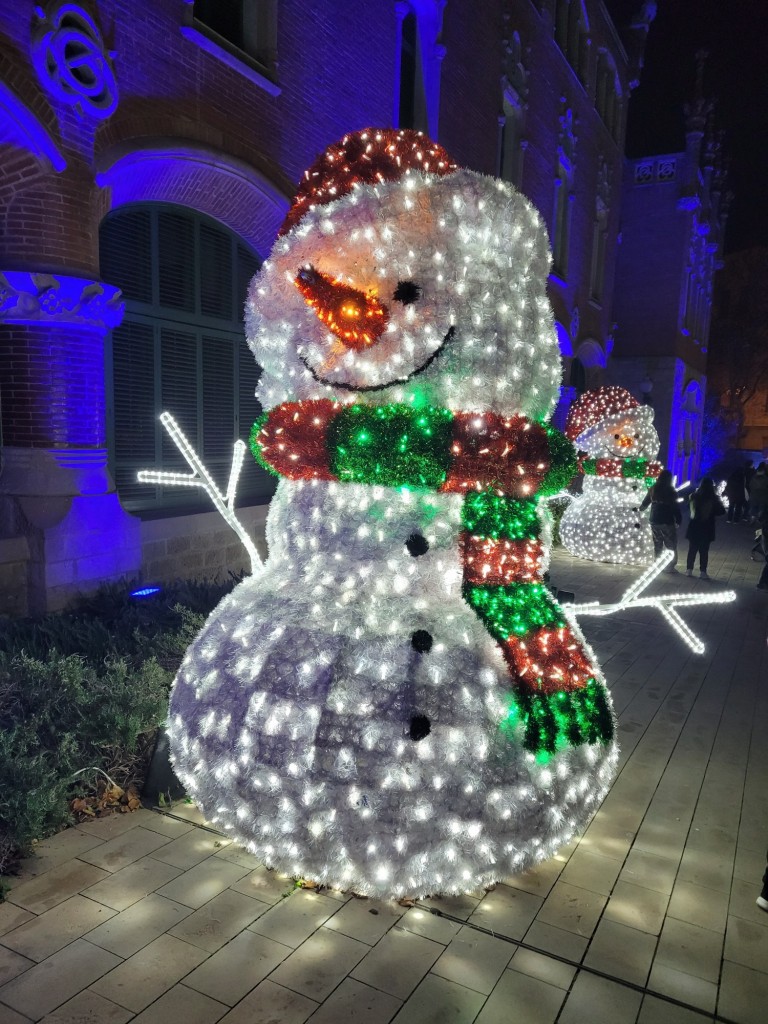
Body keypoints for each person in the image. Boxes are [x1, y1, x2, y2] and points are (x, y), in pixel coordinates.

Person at [639, 468, 682, 571]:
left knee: (657, 543)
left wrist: (640, 509)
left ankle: (657, 564)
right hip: (667, 520)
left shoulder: (653, 489)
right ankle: (670, 566)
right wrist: (679, 520)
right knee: (670, 544)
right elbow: (675, 507)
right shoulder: (671, 491)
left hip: (654, 520)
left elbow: (645, 503)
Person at [684, 477, 725, 579]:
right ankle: (703, 572)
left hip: (694, 526)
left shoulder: (694, 496)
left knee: (692, 549)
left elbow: (687, 507)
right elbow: (722, 511)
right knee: (704, 550)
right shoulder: (714, 498)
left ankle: (689, 570)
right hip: (707, 527)